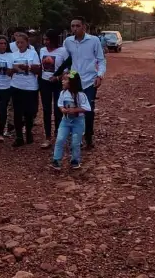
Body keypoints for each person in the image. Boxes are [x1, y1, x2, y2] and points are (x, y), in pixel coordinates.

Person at [59, 17, 106, 149]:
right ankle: (75, 136)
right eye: (72, 26)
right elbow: (66, 59)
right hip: (74, 81)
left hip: (89, 80)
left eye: (77, 26)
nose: (74, 28)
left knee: (88, 109)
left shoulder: (94, 41)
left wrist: (100, 76)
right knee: (72, 108)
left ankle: (89, 137)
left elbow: (101, 60)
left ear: (84, 27)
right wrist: (66, 73)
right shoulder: (68, 41)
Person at [51, 71, 91, 170]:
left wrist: (74, 110)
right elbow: (60, 104)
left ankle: (75, 160)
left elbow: (87, 108)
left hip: (78, 121)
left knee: (75, 142)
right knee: (60, 139)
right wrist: (62, 110)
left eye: (65, 80)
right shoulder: (63, 93)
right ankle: (56, 159)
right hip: (65, 120)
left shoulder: (81, 95)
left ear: (72, 82)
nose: (62, 82)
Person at [10, 32, 41, 147]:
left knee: (30, 112)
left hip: (30, 86)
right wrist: (13, 69)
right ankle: (19, 136)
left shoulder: (32, 54)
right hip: (16, 85)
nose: (20, 44)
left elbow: (37, 69)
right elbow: (9, 71)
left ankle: (28, 132)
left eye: (22, 42)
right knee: (17, 112)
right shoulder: (13, 55)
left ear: (27, 43)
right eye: (17, 42)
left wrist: (27, 67)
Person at [39, 30, 69, 149]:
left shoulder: (63, 51)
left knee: (58, 109)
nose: (45, 42)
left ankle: (58, 134)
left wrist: (58, 77)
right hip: (44, 83)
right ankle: (47, 137)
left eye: (47, 39)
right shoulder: (42, 50)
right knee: (46, 110)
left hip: (57, 83)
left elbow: (67, 69)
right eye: (44, 39)